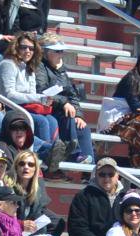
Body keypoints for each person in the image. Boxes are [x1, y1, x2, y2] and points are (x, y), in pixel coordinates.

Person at [33, 33, 94, 166]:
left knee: (83, 127)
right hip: (47, 108)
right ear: (45, 52)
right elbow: (41, 90)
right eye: (57, 51)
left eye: (62, 51)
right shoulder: (39, 67)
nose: (60, 55)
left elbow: (72, 94)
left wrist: (79, 115)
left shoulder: (61, 70)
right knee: (68, 117)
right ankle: (74, 153)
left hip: (61, 108)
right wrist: (64, 103)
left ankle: (90, 172)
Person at [68, 157, 125, 236]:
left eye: (111, 174)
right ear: (95, 175)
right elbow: (77, 228)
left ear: (117, 176)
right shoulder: (83, 196)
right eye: (102, 174)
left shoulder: (125, 197)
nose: (106, 178)